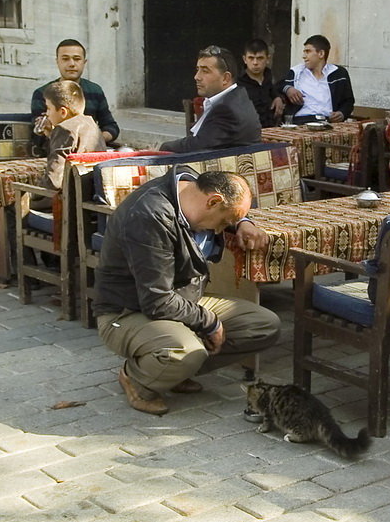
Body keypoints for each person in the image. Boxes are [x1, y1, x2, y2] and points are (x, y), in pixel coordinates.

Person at [93, 167, 280, 415]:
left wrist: (243, 222)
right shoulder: (149, 217)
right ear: (212, 201)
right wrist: (210, 322)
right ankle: (138, 379)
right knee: (185, 350)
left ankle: (174, 371)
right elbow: (157, 301)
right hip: (127, 310)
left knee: (264, 325)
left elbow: (229, 199)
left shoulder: (191, 185)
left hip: (183, 299)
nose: (221, 229)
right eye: (225, 221)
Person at [159, 46, 261, 153]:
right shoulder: (237, 96)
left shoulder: (227, 109)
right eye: (198, 70)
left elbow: (197, 146)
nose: (197, 77)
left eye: (205, 71)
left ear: (225, 78)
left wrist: (163, 148)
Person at [31, 39, 119, 156]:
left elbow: (111, 127)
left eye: (77, 59)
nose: (71, 64)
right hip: (55, 153)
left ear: (84, 62)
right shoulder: (42, 93)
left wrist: (92, 140)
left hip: (89, 154)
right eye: (65, 59)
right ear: (57, 62)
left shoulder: (95, 91)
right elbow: (38, 134)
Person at [33, 79, 106, 195]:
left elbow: (54, 181)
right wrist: (52, 136)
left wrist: (30, 194)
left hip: (70, 199)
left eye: (48, 108)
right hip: (91, 194)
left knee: (11, 204)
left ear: (63, 112)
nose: (46, 113)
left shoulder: (63, 129)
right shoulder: (92, 125)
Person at [279, 34, 355, 124]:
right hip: (300, 122)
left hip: (328, 122)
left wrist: (342, 113)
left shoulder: (339, 74)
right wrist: (288, 89)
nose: (304, 56)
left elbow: (349, 101)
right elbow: (278, 86)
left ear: (321, 54)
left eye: (308, 51)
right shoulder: (296, 72)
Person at [236, 38, 284, 128]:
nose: (255, 63)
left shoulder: (268, 78)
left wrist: (278, 97)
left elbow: (272, 90)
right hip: (247, 133)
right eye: (251, 58)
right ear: (244, 59)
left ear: (268, 59)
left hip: (271, 131)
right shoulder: (237, 84)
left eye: (260, 58)